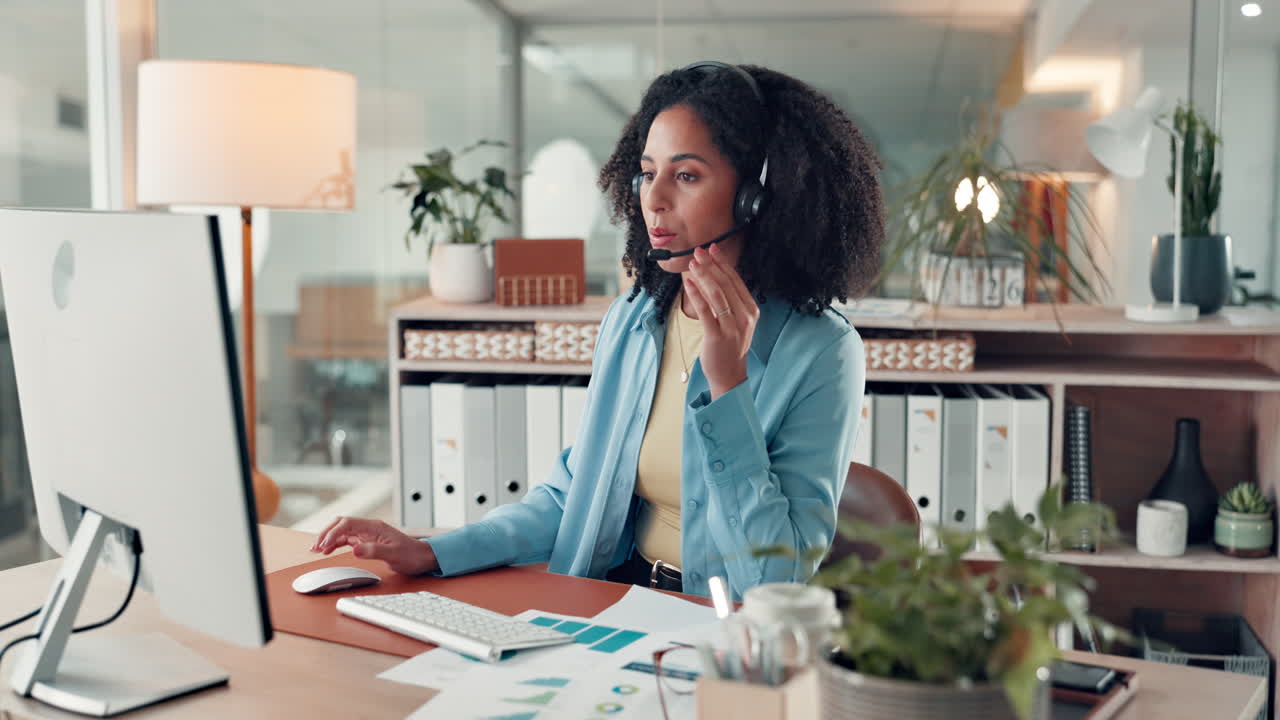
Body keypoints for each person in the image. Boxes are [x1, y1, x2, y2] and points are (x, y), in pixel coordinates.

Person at [312, 61, 884, 599]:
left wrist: (729, 384)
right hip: (611, 597)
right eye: (646, 174)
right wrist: (430, 551)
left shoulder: (823, 351)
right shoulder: (635, 320)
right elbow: (572, 496)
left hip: (721, 625)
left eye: (686, 175)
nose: (653, 201)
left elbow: (773, 577)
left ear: (756, 197)